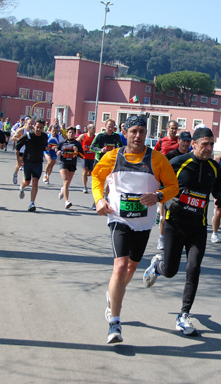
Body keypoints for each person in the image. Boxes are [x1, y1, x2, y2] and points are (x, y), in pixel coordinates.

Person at [91, 115, 178, 344]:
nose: (138, 136)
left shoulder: (157, 159)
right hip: (118, 218)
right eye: (133, 131)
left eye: (141, 131)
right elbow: (97, 178)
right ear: (125, 132)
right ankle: (115, 322)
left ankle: (113, 294)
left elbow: (173, 186)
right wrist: (99, 200)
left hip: (143, 222)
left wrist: (158, 196)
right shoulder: (113, 157)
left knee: (130, 267)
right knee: (120, 266)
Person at [143, 127, 221, 336]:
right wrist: (169, 201)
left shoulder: (215, 168)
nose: (208, 148)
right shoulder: (178, 163)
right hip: (175, 224)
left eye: (211, 144)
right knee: (170, 271)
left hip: (198, 227)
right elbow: (160, 186)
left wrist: (220, 197)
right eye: (204, 144)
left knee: (194, 268)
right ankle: (157, 266)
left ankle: (184, 314)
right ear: (195, 144)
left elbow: (218, 188)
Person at [153, 120, 180, 249]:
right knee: (163, 196)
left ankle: (160, 212)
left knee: (168, 197)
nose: (173, 131)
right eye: (172, 128)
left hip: (174, 173)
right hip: (162, 172)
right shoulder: (161, 141)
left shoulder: (180, 141)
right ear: (167, 128)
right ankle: (160, 212)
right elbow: (154, 154)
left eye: (175, 128)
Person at [16, 119, 48, 212]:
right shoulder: (28, 135)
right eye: (37, 127)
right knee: (27, 182)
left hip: (38, 162)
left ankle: (32, 203)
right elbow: (18, 147)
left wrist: (48, 149)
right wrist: (18, 160)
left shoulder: (44, 136)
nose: (38, 129)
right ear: (34, 126)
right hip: (28, 162)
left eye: (41, 128)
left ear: (43, 128)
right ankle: (21, 188)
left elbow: (45, 146)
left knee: (35, 182)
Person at [57, 126, 84, 209]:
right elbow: (57, 150)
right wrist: (58, 152)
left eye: (72, 133)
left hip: (72, 164)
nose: (71, 134)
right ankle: (67, 201)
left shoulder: (77, 144)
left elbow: (82, 156)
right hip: (63, 163)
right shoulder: (62, 143)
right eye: (69, 132)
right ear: (67, 133)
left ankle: (63, 189)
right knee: (65, 181)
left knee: (67, 184)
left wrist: (76, 151)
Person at [11, 117, 33, 185]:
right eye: (29, 123)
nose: (30, 125)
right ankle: (15, 174)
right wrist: (21, 140)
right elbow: (13, 138)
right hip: (20, 150)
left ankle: (25, 180)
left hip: (28, 151)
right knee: (19, 164)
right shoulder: (21, 130)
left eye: (32, 124)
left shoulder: (33, 131)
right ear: (26, 123)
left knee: (26, 165)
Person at [77, 124, 96, 196]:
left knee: (89, 173)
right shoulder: (83, 136)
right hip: (84, 156)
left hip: (92, 157)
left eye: (94, 128)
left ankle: (84, 175)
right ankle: (85, 187)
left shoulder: (95, 137)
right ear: (88, 129)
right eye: (92, 128)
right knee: (85, 169)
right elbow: (76, 141)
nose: (94, 129)